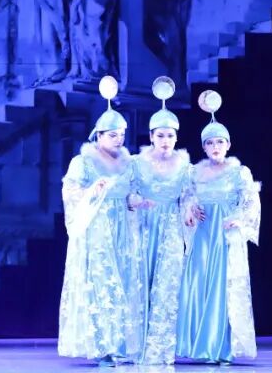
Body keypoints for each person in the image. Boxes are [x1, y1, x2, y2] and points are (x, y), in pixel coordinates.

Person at [58, 75, 145, 366]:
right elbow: (70, 192)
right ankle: (102, 344)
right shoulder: (83, 162)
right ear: (98, 135)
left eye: (121, 134)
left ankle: (120, 343)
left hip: (123, 228)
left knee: (124, 280)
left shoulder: (129, 163)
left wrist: (136, 201)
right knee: (101, 282)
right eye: (112, 135)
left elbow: (131, 193)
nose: (119, 139)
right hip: (97, 226)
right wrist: (90, 191)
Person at [176, 90, 261, 364]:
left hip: (225, 234)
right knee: (200, 284)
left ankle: (222, 347)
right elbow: (186, 198)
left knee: (223, 287)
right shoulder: (193, 172)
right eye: (210, 142)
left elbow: (251, 201)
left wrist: (240, 219)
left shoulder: (239, 172)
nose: (215, 146)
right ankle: (199, 345)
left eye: (220, 141)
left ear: (228, 144)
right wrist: (190, 209)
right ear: (204, 147)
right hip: (203, 233)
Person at [130, 76, 192, 365]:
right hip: (144, 226)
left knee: (166, 285)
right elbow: (128, 192)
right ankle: (136, 346)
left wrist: (189, 210)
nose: (165, 141)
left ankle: (160, 348)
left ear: (176, 138)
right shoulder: (137, 163)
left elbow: (189, 195)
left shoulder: (184, 167)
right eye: (160, 135)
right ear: (151, 136)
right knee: (141, 282)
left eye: (170, 136)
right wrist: (137, 201)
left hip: (170, 227)